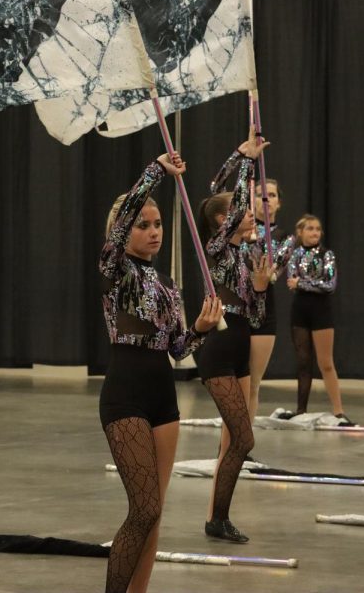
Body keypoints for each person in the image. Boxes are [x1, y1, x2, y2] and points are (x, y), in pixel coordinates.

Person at [99, 151, 223, 593]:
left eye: (157, 225)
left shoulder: (166, 286)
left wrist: (202, 330)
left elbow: (175, 350)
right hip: (126, 394)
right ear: (124, 230)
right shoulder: (115, 268)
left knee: (156, 514)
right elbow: (125, 216)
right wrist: (156, 171)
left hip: (163, 398)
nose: (153, 232)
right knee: (143, 510)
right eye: (143, 225)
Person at [195, 126, 271, 543]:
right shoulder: (217, 249)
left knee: (237, 441)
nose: (252, 213)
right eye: (242, 211)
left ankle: (219, 517)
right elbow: (240, 198)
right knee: (242, 437)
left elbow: (256, 316)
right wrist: (244, 158)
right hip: (220, 350)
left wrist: (260, 289)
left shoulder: (245, 253)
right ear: (224, 222)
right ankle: (216, 518)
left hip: (241, 343)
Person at [286, 214, 354, 424]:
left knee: (325, 362)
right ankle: (300, 410)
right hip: (300, 310)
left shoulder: (327, 255)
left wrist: (303, 283)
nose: (315, 232)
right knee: (303, 362)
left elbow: (330, 285)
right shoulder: (294, 254)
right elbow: (290, 281)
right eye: (310, 229)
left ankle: (338, 410)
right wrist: (307, 283)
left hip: (321, 310)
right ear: (300, 232)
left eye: (317, 229)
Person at [246, 179, 295, 421]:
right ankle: (228, 443)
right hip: (238, 308)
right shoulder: (241, 230)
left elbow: (272, 274)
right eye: (259, 194)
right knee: (236, 384)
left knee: (253, 384)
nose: (265, 199)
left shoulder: (286, 237)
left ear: (279, 202)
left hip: (264, 311)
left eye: (271, 195)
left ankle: (243, 444)